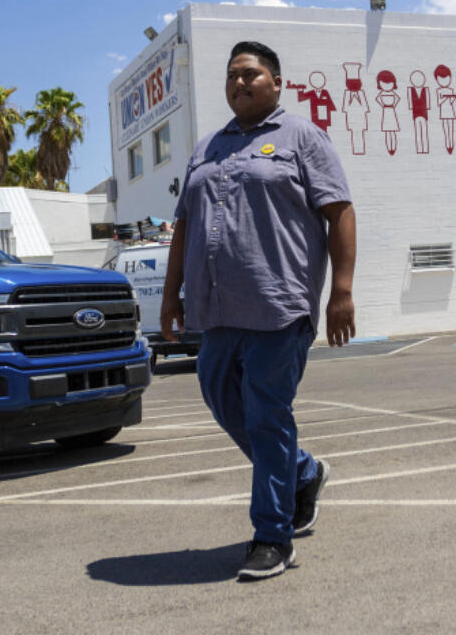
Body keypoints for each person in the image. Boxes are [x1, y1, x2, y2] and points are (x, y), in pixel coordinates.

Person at [161, 40, 357, 582]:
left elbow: (339, 211)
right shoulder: (207, 147)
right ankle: (303, 472)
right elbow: (183, 229)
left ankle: (273, 536)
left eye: (251, 74)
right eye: (231, 76)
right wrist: (170, 293)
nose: (239, 83)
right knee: (226, 402)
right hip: (215, 309)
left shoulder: (302, 137)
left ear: (276, 83)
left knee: (267, 416)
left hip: (278, 304)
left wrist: (341, 291)